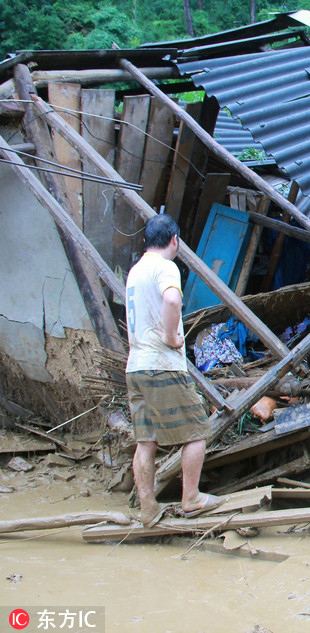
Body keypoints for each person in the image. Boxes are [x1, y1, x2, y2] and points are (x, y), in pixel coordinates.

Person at [125, 215, 223, 526]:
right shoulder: (166, 267)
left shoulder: (135, 271)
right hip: (160, 365)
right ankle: (191, 499)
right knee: (196, 431)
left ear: (146, 241)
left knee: (146, 440)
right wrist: (171, 337)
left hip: (136, 367)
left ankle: (148, 507)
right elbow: (171, 300)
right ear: (174, 240)